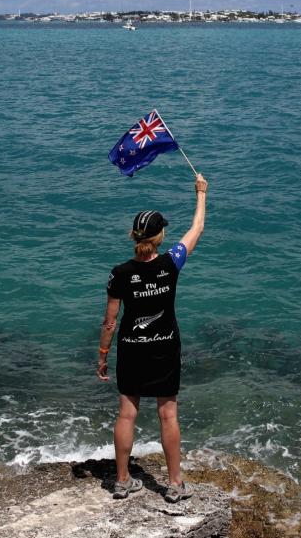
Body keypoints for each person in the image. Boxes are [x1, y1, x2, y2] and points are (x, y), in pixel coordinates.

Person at [97, 173, 208, 502]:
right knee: (168, 414)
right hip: (164, 350)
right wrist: (201, 193)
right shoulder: (170, 264)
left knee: (126, 414)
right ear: (160, 237)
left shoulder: (120, 273)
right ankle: (174, 485)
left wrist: (103, 355)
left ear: (134, 236)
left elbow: (109, 321)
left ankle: (121, 480)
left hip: (131, 349)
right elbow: (197, 229)